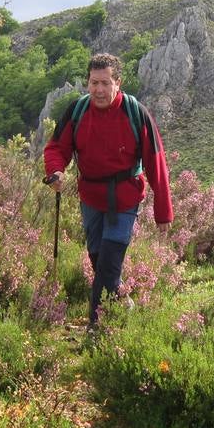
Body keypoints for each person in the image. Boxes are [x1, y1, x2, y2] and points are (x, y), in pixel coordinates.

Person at [44, 53, 172, 331]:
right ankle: (123, 302)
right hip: (90, 197)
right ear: (87, 83)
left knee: (109, 263)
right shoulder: (77, 111)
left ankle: (97, 327)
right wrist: (55, 170)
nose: (99, 90)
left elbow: (156, 162)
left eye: (105, 83)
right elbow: (57, 148)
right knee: (98, 259)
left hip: (125, 198)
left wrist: (163, 212)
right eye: (93, 83)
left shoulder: (135, 113)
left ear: (118, 82)